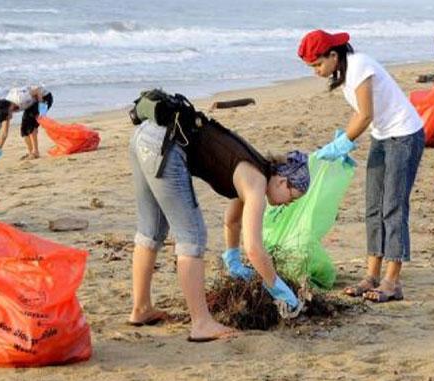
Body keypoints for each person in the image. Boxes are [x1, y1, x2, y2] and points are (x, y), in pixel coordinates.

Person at [129, 115, 310, 342]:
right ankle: (201, 324)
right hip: (166, 144)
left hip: (146, 134)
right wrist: (276, 286)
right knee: (192, 237)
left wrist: (232, 257)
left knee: (151, 229)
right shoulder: (257, 183)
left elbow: (232, 220)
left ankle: (141, 308)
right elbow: (254, 249)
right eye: (292, 198)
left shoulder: (254, 168)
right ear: (283, 181)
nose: (287, 204)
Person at [298, 29, 425, 303]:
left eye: (318, 64)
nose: (316, 71)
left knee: (393, 206)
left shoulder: (359, 65)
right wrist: (342, 140)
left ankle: (392, 281)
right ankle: (371, 275)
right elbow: (360, 112)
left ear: (334, 55)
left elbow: (366, 115)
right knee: (373, 207)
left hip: (405, 135)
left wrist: (343, 144)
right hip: (382, 136)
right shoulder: (344, 74)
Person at [0, 85, 53, 163]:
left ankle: (35, 152)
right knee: (24, 130)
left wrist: (42, 109)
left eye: (7, 117)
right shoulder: (6, 107)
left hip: (44, 97)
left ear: (8, 110)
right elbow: (4, 133)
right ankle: (31, 152)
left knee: (30, 123)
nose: (9, 119)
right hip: (32, 103)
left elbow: (37, 90)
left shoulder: (20, 98)